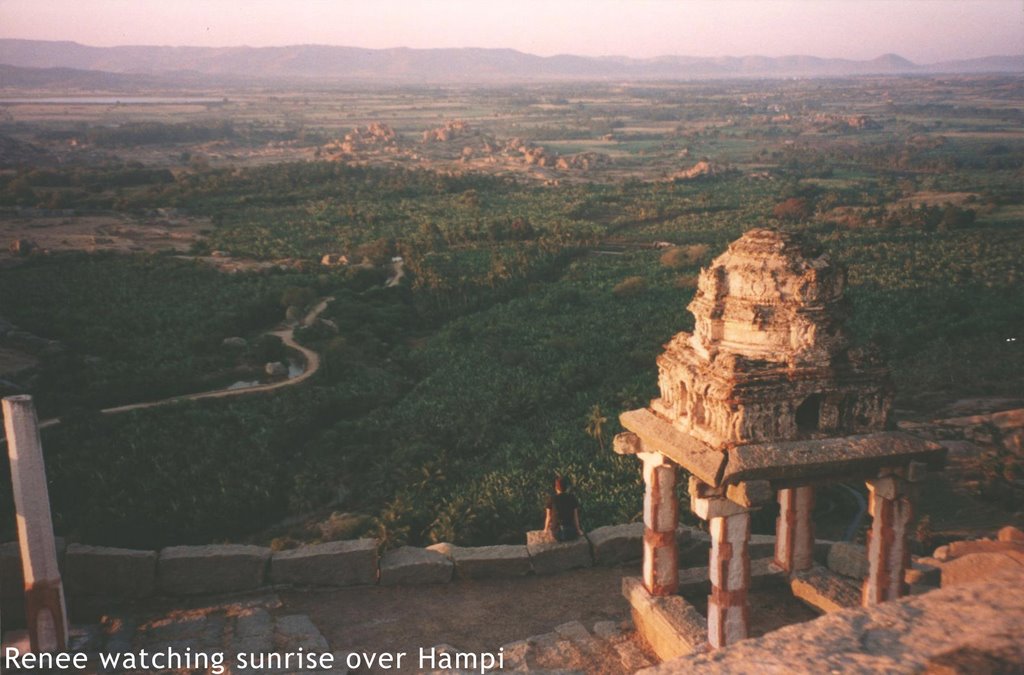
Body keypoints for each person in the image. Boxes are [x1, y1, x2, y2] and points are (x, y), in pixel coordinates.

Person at [544, 475, 582, 542]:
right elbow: (575, 517)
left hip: (557, 533)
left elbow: (548, 517)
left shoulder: (552, 499)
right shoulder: (572, 498)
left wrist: (545, 529)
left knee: (553, 524)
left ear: (556, 488)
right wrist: (578, 530)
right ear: (566, 487)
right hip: (570, 532)